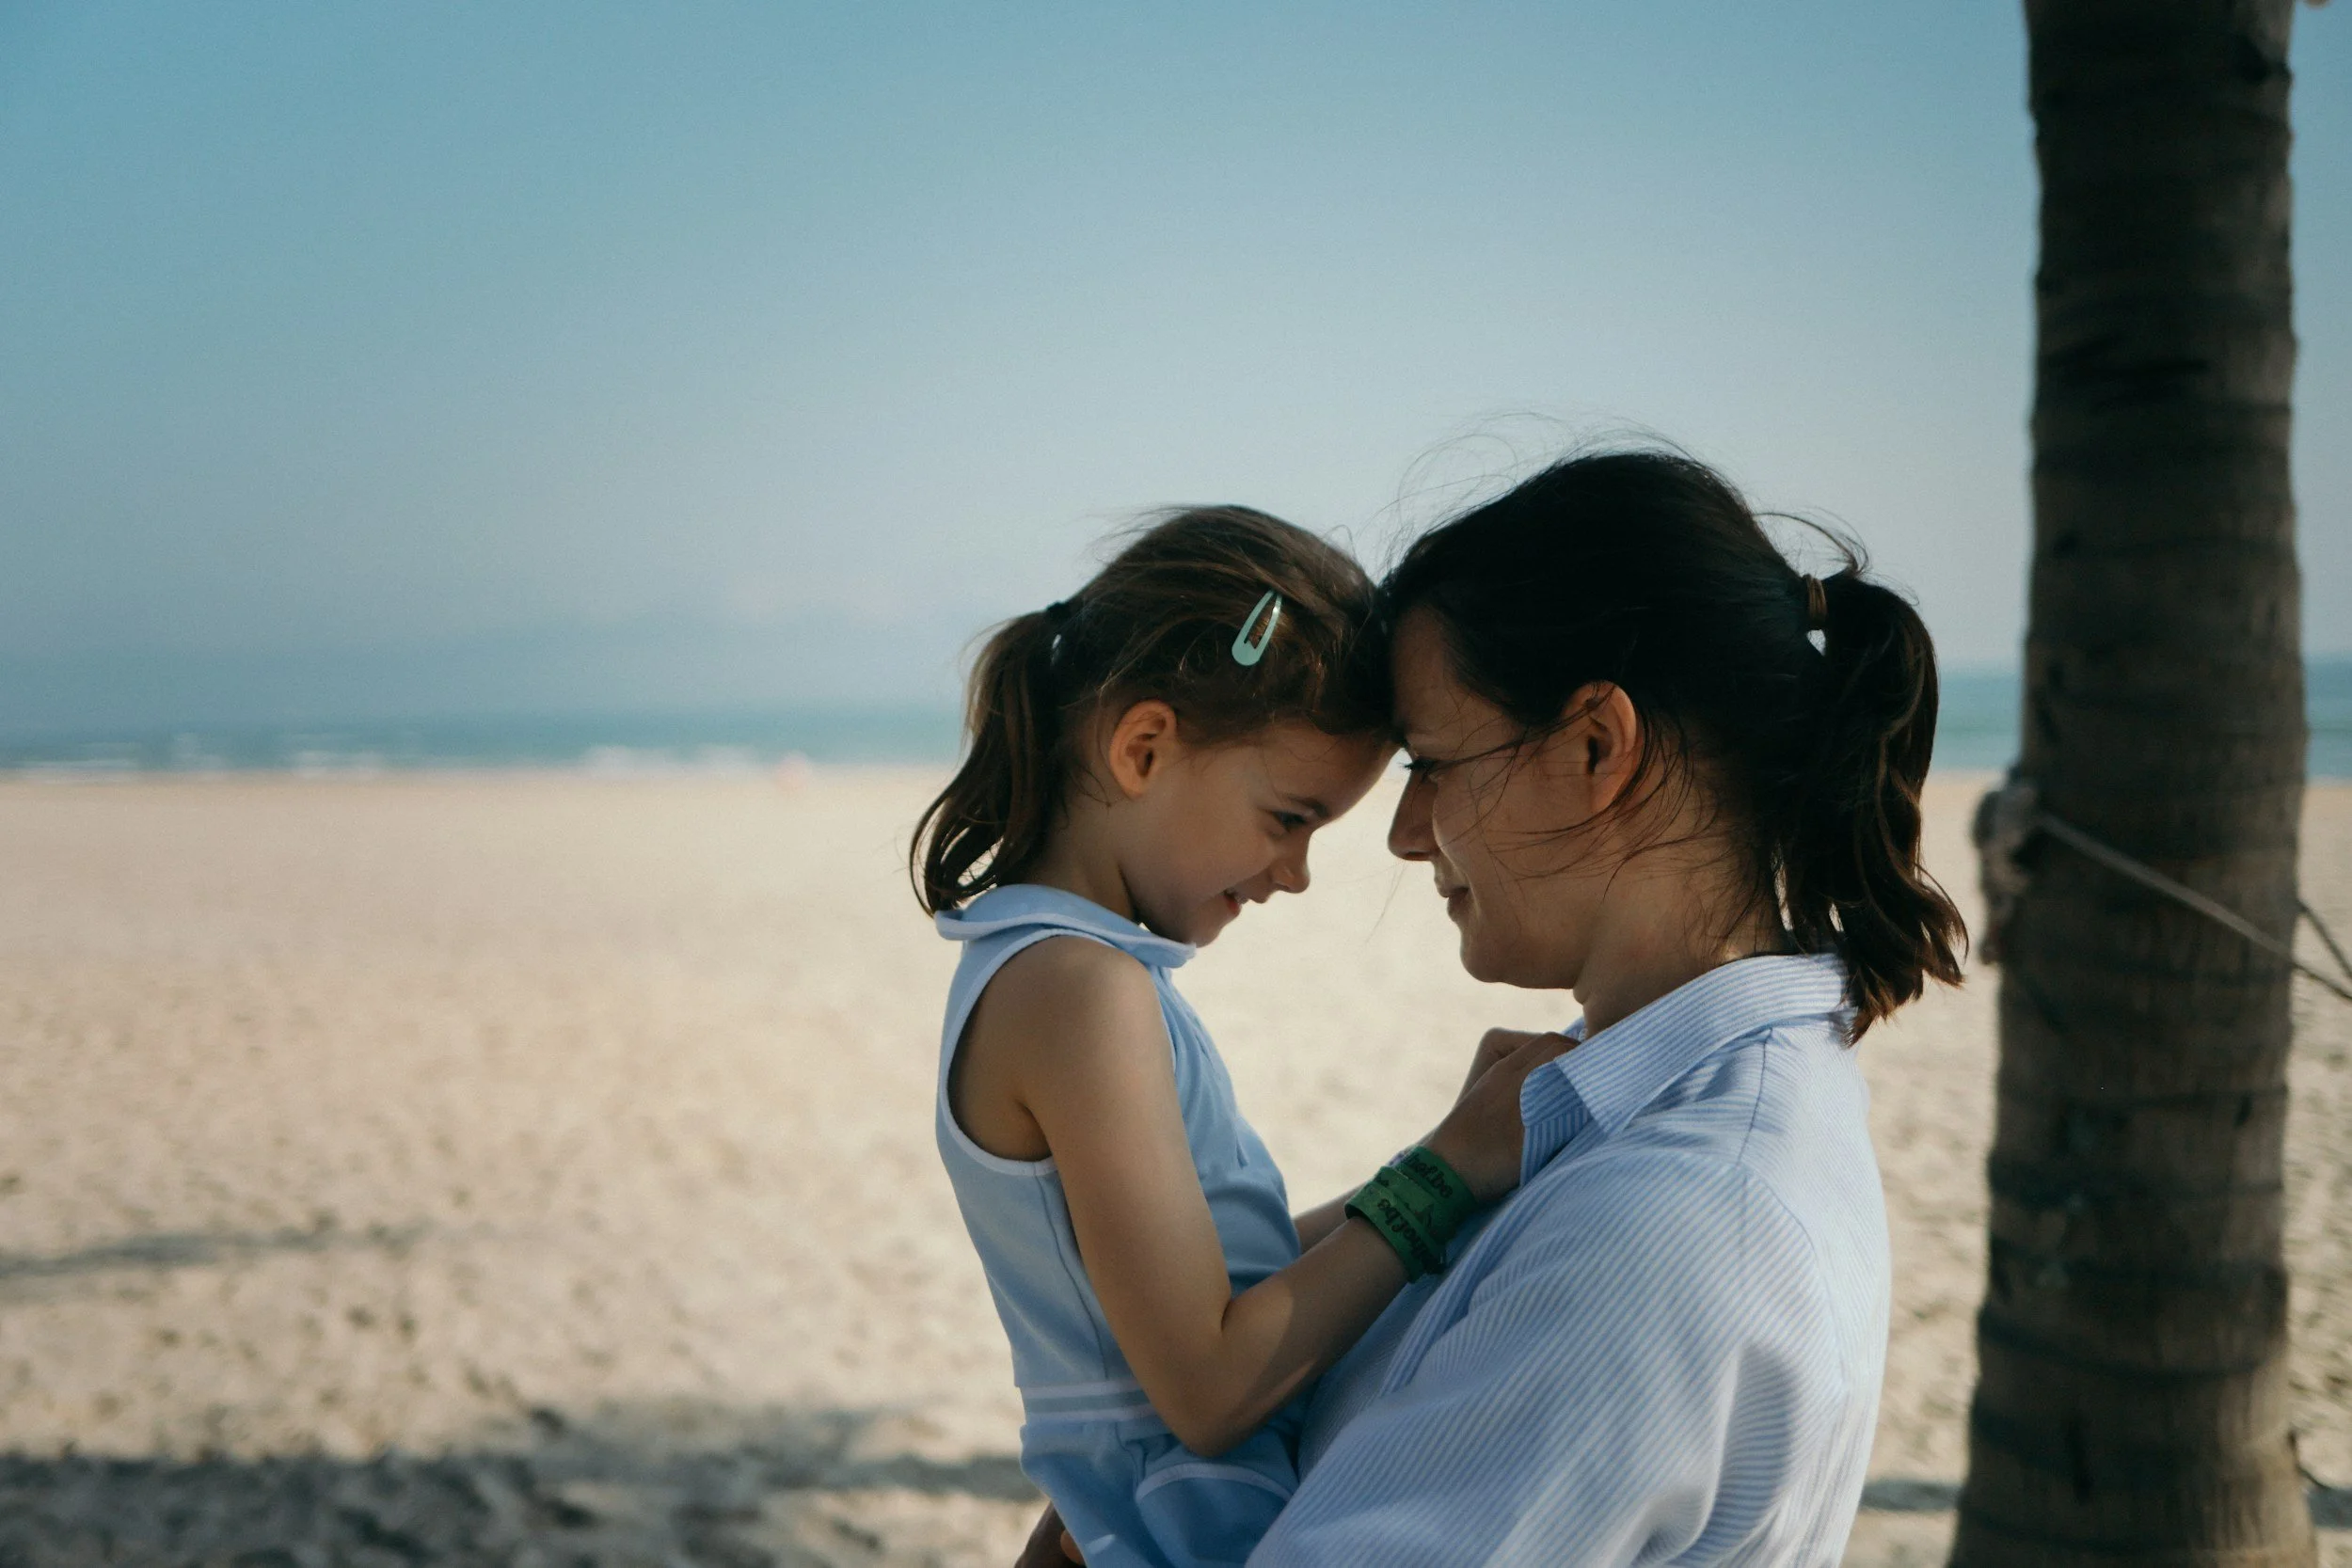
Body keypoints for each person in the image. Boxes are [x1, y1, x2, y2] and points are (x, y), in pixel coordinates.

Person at [1020, 448, 1965, 1566]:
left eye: (1430, 762)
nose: (1405, 832)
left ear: (1594, 746)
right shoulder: (1611, 1098)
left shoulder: (1669, 1223)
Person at [914, 507, 1568, 1568]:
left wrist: (1441, 1158)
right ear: (1142, 747)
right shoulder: (1080, 992)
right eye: (1287, 816)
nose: (1295, 872)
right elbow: (1211, 1389)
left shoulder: (1045, 966)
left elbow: (1224, 1273)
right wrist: (1446, 1172)